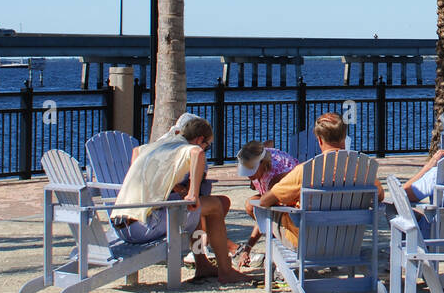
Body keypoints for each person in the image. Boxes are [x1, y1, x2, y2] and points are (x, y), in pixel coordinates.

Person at [110, 116, 250, 284]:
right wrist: (192, 194)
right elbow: (196, 152)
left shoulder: (163, 145)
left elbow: (136, 152)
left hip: (122, 225)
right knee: (214, 205)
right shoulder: (185, 148)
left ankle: (203, 264)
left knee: (197, 209)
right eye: (207, 145)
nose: (206, 150)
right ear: (199, 139)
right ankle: (226, 271)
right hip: (142, 227)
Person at [250, 113, 381, 250]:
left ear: (319, 140)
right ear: (344, 137)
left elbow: (265, 201)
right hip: (346, 243)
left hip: (306, 244)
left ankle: (274, 265)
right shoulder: (362, 169)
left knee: (269, 213)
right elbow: (380, 195)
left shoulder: (305, 171)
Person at [234, 140, 299, 269]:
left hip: (293, 211)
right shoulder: (264, 157)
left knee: (254, 206)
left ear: (262, 164)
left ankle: (278, 247)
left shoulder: (275, 178)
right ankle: (275, 242)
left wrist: (248, 246)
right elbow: (268, 144)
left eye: (251, 171)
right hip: (282, 201)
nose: (249, 176)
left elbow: (265, 213)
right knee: (252, 205)